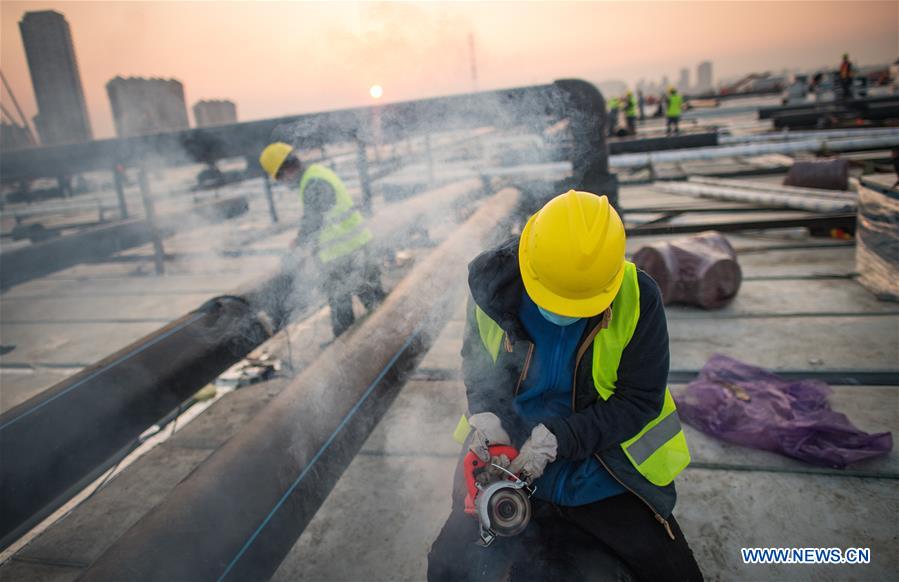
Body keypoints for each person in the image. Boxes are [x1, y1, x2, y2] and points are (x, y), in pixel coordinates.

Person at [427, 190, 702, 581]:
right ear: (529, 262)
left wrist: (560, 438)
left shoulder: (639, 298)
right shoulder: (491, 290)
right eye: (553, 299)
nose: (561, 313)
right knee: (448, 569)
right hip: (508, 457)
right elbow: (477, 368)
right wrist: (489, 419)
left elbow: (639, 401)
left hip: (601, 467)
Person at [259, 142, 386, 338]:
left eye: (281, 178)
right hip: (356, 248)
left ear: (286, 171)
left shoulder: (313, 182)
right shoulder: (317, 173)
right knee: (373, 304)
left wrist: (299, 245)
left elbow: (314, 220)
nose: (284, 183)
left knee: (346, 308)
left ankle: (349, 352)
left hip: (343, 255)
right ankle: (381, 342)